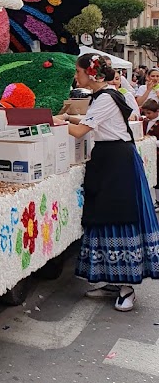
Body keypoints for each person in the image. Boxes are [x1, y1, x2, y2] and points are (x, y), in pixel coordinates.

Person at [60, 53, 159, 311]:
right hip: (112, 159)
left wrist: (48, 122)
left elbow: (82, 131)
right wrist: (66, 119)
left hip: (116, 162)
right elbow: (91, 123)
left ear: (90, 74)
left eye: (78, 71)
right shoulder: (105, 95)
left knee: (119, 216)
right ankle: (113, 280)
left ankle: (127, 287)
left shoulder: (105, 97)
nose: (76, 76)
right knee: (105, 216)